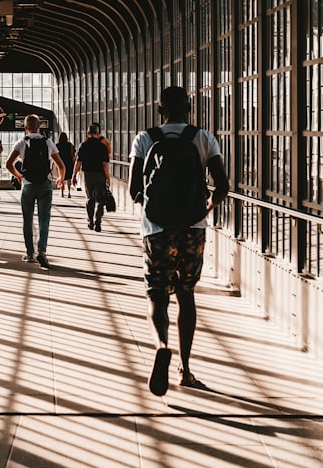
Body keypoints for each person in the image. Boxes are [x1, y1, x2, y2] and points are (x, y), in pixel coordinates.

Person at [128, 87, 230, 395]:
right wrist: (204, 209)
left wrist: (155, 208)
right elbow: (222, 185)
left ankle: (161, 344)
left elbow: (135, 188)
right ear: (189, 107)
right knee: (186, 294)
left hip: (156, 229)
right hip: (193, 228)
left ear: (159, 110)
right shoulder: (204, 138)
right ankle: (185, 369)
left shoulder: (145, 139)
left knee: (157, 295)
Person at [6, 114, 65, 269]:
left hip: (28, 186)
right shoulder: (48, 142)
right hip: (45, 185)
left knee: (27, 220)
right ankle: (42, 251)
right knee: (44, 220)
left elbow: (8, 164)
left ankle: (29, 253)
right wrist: (60, 179)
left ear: (25, 127)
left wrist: (19, 176)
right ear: (40, 126)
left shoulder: (21, 143)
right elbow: (61, 166)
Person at [72, 124, 111, 231]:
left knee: (90, 199)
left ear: (87, 133)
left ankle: (90, 221)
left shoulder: (83, 145)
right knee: (100, 200)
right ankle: (98, 221)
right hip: (100, 175)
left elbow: (78, 162)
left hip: (88, 175)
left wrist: (74, 175)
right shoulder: (102, 146)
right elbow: (105, 164)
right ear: (98, 134)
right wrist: (108, 177)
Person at [56, 132, 76, 197]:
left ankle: (61, 192)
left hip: (60, 163)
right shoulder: (70, 145)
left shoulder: (57, 145)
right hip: (69, 163)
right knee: (69, 178)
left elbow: (55, 155)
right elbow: (73, 155)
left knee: (61, 177)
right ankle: (69, 192)